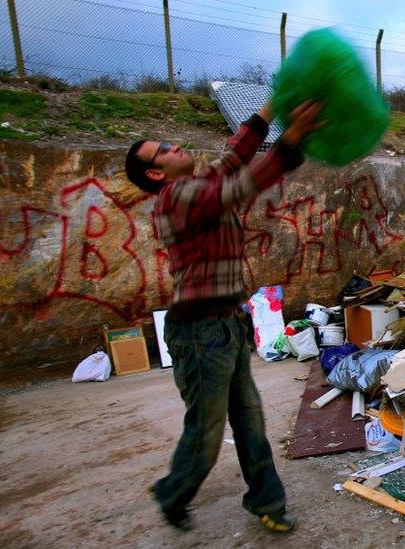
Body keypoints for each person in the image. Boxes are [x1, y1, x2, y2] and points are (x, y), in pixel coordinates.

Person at [124, 100, 323, 533]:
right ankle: (173, 492)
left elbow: (235, 155)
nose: (176, 147)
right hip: (198, 332)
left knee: (250, 420)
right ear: (156, 174)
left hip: (229, 324)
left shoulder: (196, 183)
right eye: (164, 150)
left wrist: (273, 108)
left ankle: (267, 501)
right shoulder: (176, 197)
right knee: (207, 432)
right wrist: (288, 142)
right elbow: (237, 187)